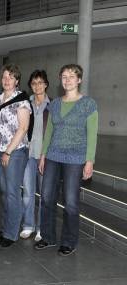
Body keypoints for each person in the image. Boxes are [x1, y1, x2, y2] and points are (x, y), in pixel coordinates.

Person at [35, 64, 98, 256]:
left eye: (71, 76)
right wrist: (43, 155)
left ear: (79, 80)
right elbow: (49, 132)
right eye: (64, 76)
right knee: (46, 198)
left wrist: (90, 161)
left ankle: (69, 241)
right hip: (53, 155)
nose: (67, 80)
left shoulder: (88, 104)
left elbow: (92, 134)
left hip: (76, 158)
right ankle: (48, 237)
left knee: (71, 202)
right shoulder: (54, 104)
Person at [0, 63, 32, 248]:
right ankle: (7, 227)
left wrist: (7, 151)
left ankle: (11, 233)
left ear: (17, 81)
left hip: (14, 152)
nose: (7, 80)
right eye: (4, 77)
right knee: (5, 193)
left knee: (12, 193)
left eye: (11, 77)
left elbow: (22, 128)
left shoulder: (21, 100)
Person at [20, 70, 51, 242]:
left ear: (46, 84)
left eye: (40, 82)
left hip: (44, 155)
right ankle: (28, 225)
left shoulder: (53, 105)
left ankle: (41, 228)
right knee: (28, 193)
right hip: (28, 154)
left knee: (45, 194)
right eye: (34, 83)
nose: (37, 86)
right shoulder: (25, 104)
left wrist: (47, 155)